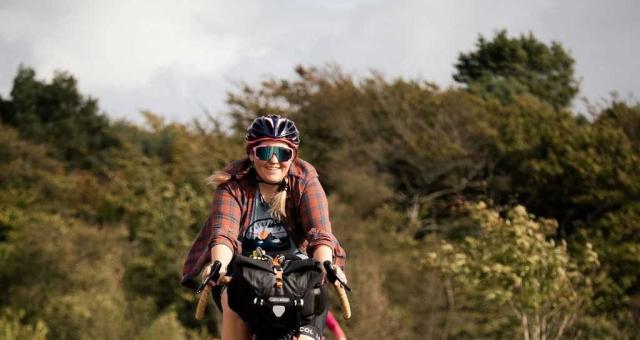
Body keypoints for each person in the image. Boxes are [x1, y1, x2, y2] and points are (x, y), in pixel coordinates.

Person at [182, 115, 347, 340]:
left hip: (297, 279)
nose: (273, 160)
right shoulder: (232, 186)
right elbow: (224, 233)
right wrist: (218, 263)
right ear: (251, 154)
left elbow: (320, 233)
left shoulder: (306, 181)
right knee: (231, 297)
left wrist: (327, 263)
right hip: (246, 279)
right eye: (264, 152)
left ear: (293, 156)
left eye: (282, 153)